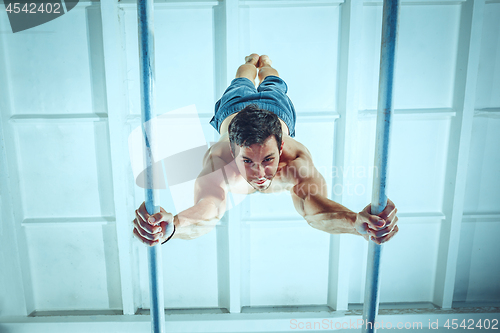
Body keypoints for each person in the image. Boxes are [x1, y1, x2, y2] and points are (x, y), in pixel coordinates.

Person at [133, 54, 399, 246]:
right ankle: (251, 63)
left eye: (269, 159)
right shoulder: (219, 162)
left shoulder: (295, 162)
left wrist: (354, 222)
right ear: (232, 149)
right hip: (233, 109)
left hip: (276, 108)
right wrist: (173, 226)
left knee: (273, 83)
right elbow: (209, 209)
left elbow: (313, 209)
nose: (259, 172)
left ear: (282, 146)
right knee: (241, 80)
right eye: (247, 160)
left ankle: (267, 64)